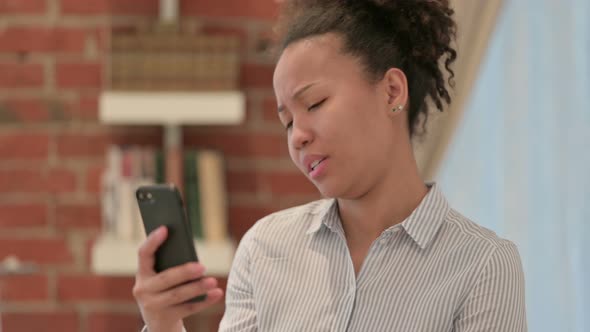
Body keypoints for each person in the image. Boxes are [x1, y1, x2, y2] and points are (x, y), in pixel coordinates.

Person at [133, 0, 528, 331]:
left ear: (392, 90)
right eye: (287, 121)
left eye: (315, 103)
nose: (297, 136)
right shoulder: (264, 249)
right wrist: (164, 323)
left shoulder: (483, 267)